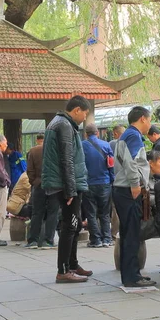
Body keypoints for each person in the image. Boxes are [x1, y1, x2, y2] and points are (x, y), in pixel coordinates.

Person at [42, 95, 92, 283]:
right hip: (67, 184)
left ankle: (72, 264)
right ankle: (63, 270)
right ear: (77, 110)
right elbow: (67, 159)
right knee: (70, 226)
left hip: (65, 182)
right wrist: (70, 189)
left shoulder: (60, 123)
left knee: (74, 224)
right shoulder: (63, 125)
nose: (84, 118)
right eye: (84, 114)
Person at [113, 106, 156, 288]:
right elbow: (131, 161)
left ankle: (132, 273)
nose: (150, 124)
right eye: (150, 119)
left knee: (128, 233)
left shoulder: (128, 135)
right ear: (142, 119)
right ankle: (131, 277)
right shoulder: (133, 135)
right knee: (131, 234)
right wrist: (135, 183)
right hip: (128, 189)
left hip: (122, 189)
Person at [82, 123, 115, 248]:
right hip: (104, 183)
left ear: (86, 134)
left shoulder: (81, 146)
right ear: (97, 133)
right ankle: (107, 238)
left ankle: (95, 240)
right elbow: (111, 165)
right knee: (105, 213)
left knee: (91, 213)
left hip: (88, 184)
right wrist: (112, 179)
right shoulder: (106, 145)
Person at [26, 133, 57, 249]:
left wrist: (34, 182)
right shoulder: (56, 149)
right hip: (54, 185)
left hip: (39, 184)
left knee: (37, 212)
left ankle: (33, 240)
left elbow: (29, 170)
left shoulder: (33, 151)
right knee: (53, 213)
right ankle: (48, 240)